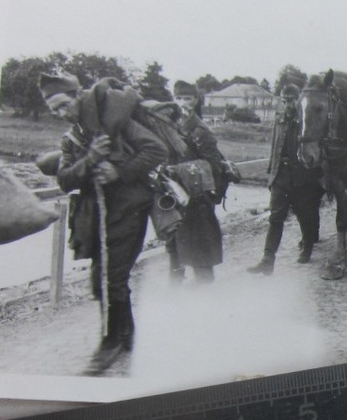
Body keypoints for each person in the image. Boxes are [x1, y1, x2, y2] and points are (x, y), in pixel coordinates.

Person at [41, 69, 169, 376]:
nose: (61, 113)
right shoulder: (73, 136)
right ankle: (126, 336)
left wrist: (118, 172)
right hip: (95, 215)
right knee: (104, 279)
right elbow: (64, 180)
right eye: (54, 110)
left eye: (63, 105)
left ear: (76, 96)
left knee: (109, 279)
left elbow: (156, 150)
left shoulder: (117, 120)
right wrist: (89, 159)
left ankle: (109, 343)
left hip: (129, 209)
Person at [249, 83, 325, 274]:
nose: (288, 104)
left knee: (304, 216)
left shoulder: (305, 118)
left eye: (291, 100)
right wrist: (271, 173)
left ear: (298, 99)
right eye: (284, 100)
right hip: (280, 175)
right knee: (276, 218)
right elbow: (275, 144)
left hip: (302, 175)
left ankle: (307, 246)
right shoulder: (279, 117)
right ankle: (268, 259)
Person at [166, 81, 232, 283]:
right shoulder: (169, 126)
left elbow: (214, 165)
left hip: (198, 196)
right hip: (174, 194)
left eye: (187, 98)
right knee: (174, 245)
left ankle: (205, 295)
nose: (183, 103)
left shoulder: (201, 130)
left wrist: (178, 171)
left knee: (201, 247)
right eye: (178, 98)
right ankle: (175, 292)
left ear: (195, 101)